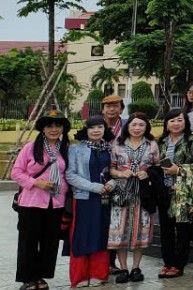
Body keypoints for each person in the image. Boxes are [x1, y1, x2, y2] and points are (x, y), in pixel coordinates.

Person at [14, 109, 71, 290]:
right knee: (29, 242)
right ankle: (28, 278)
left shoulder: (65, 148)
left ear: (62, 128)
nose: (54, 129)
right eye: (49, 125)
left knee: (49, 243)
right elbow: (16, 172)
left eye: (58, 125)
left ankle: (41, 277)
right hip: (31, 203)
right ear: (43, 129)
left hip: (55, 204)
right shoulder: (30, 148)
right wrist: (37, 183)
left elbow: (67, 175)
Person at [108, 112, 159, 283]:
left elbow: (158, 167)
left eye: (141, 125)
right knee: (120, 233)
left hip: (143, 195)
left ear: (146, 127)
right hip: (122, 195)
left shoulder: (152, 145)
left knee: (140, 231)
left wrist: (148, 173)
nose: (137, 128)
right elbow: (111, 169)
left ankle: (136, 267)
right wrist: (121, 173)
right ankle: (123, 268)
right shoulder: (117, 144)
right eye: (133, 125)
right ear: (127, 126)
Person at [67, 115, 115, 288]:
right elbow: (70, 174)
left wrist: (112, 183)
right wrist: (94, 187)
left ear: (104, 129)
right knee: (81, 236)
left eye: (100, 127)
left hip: (105, 199)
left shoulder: (111, 149)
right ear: (86, 130)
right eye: (92, 128)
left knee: (101, 235)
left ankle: (99, 274)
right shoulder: (75, 149)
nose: (96, 131)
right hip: (84, 199)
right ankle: (79, 276)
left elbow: (115, 171)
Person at [156, 108, 193, 279]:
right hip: (165, 191)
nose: (176, 124)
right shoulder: (161, 142)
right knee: (166, 230)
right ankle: (167, 263)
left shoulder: (191, 142)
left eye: (180, 120)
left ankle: (178, 264)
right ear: (166, 124)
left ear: (186, 122)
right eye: (172, 120)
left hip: (184, 193)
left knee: (183, 229)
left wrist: (179, 169)